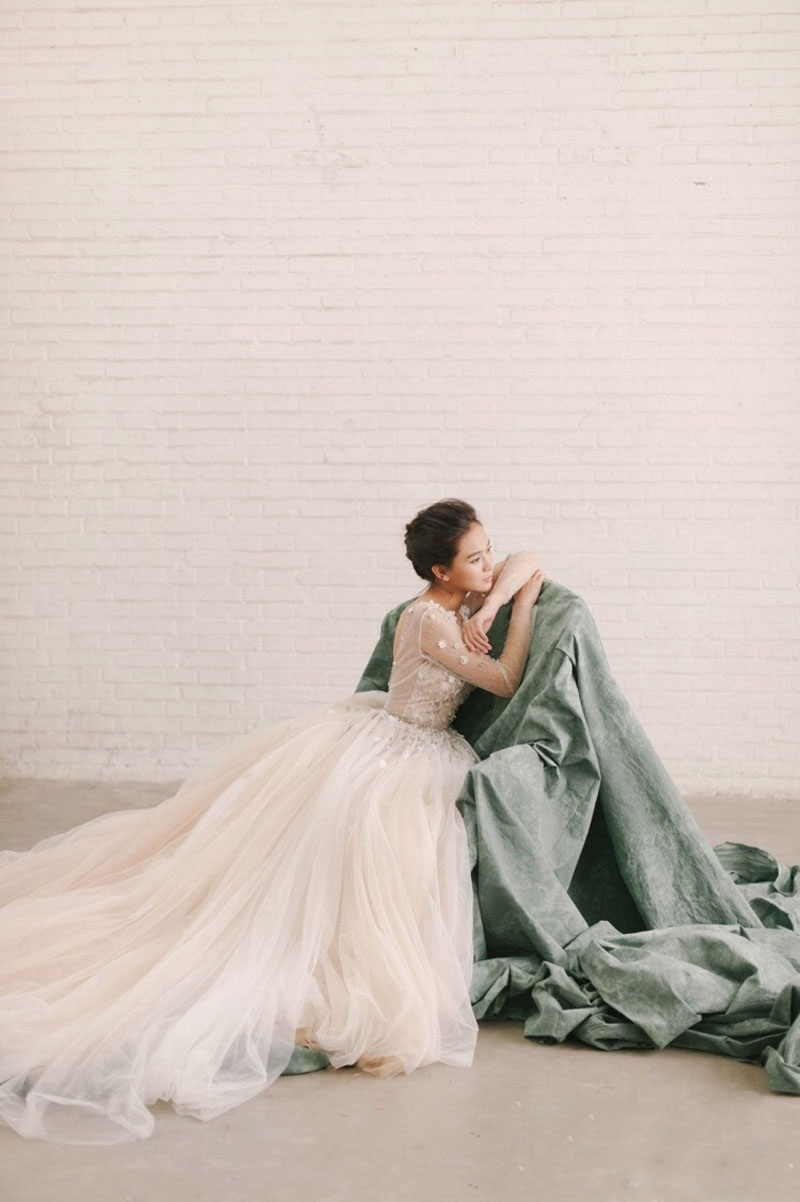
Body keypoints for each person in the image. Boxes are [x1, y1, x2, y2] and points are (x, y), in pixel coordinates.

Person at [0, 499, 545, 1145]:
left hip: (397, 736)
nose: (490, 564)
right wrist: (520, 611)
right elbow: (504, 678)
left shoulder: (462, 598)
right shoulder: (428, 618)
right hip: (403, 746)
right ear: (440, 571)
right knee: (370, 850)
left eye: (487, 552)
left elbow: (529, 559)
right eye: (475, 559)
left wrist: (490, 601)